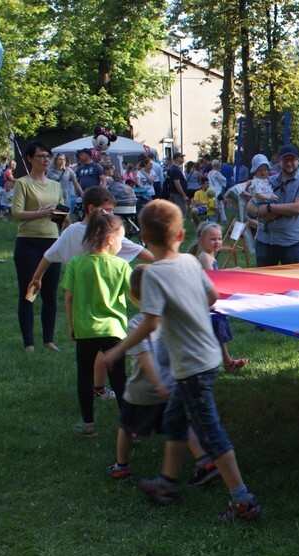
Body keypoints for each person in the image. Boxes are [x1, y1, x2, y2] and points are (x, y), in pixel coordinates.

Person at [102, 199, 262, 522]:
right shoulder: (191, 264)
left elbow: (148, 323)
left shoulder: (154, 275)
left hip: (192, 366)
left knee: (211, 432)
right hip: (202, 357)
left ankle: (242, 500)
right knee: (175, 421)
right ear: (181, 234)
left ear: (144, 238)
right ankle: (167, 483)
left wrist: (118, 350)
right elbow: (213, 296)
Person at [30, 186, 154, 399]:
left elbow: (138, 251)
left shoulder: (95, 231)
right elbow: (49, 255)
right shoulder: (98, 232)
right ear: (91, 208)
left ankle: (97, 390)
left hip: (83, 306)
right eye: (107, 210)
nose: (111, 215)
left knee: (96, 351)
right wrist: (37, 277)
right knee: (104, 350)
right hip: (101, 304)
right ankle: (103, 391)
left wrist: (37, 276)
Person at [107, 264, 219, 487]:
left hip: (143, 390)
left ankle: (121, 467)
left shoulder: (138, 324)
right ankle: (203, 461)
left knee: (126, 426)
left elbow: (145, 355)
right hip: (173, 386)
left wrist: (156, 382)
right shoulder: (170, 319)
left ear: (133, 295)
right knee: (181, 425)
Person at [60, 209, 132, 437]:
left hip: (85, 330)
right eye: (121, 239)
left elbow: (68, 297)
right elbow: (134, 295)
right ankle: (130, 427)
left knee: (84, 376)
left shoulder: (76, 263)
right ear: (111, 240)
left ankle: (88, 424)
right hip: (114, 332)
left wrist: (71, 326)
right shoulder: (121, 266)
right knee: (119, 378)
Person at [13, 140, 66, 352]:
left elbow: (61, 217)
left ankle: (48, 339)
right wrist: (41, 213)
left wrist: (72, 225)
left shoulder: (55, 185)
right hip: (28, 244)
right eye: (41, 156)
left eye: (48, 156)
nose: (46, 160)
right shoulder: (23, 184)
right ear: (29, 159)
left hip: (52, 244)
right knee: (30, 291)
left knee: (50, 294)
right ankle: (29, 343)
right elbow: (17, 214)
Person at [246, 144, 299, 267]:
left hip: (291, 243)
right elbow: (250, 204)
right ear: (280, 161)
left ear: (298, 161)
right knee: (264, 284)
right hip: (265, 242)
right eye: (285, 160)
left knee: (292, 284)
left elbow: (297, 208)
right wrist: (258, 212)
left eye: (292, 160)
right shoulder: (269, 181)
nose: (289, 163)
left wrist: (269, 208)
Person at [195, 222, 248, 373]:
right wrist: (230, 273)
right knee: (211, 334)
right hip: (205, 304)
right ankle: (209, 365)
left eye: (219, 239)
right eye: (212, 239)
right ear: (201, 240)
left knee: (217, 332)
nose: (217, 242)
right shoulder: (205, 257)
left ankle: (227, 361)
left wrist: (231, 271)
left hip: (210, 303)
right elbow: (212, 279)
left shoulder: (209, 256)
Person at [167, 152, 189, 217]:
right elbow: (177, 184)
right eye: (181, 157)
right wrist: (184, 195)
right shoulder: (175, 169)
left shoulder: (177, 168)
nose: (183, 159)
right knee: (181, 211)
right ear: (177, 158)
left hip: (177, 193)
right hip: (177, 194)